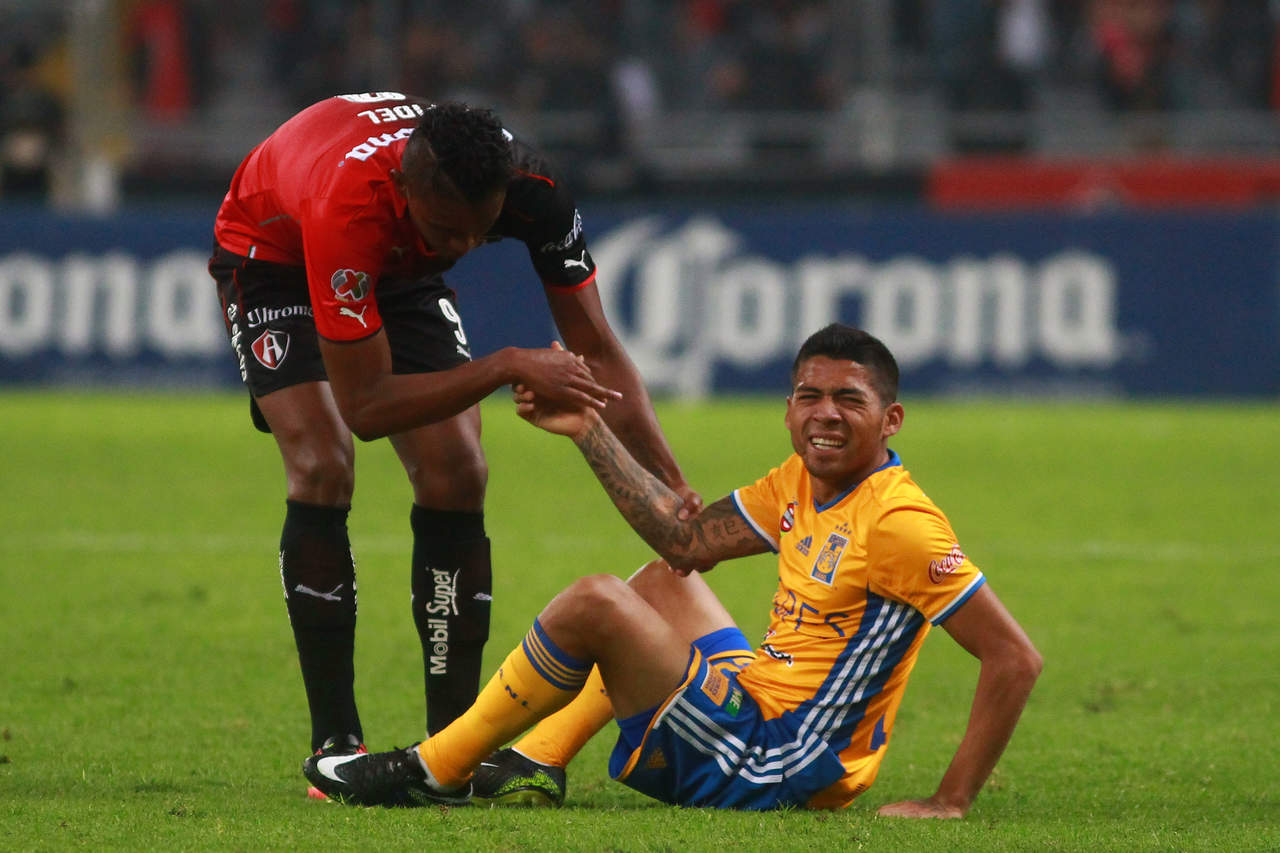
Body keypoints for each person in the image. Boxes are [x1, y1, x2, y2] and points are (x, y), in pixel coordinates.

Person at [303, 324, 1042, 816]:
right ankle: (536, 757)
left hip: (784, 762)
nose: (826, 414)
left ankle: (436, 769)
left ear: (891, 419)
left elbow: (1014, 657)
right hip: (763, 706)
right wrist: (588, 429)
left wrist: (949, 801)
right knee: (662, 581)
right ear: (788, 408)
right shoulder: (800, 480)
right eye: (810, 396)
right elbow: (685, 543)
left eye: (850, 400)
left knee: (596, 602)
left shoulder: (898, 523)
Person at [207, 94, 700, 796]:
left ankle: (451, 749)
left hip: (395, 265)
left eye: (480, 232)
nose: (461, 249)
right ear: (405, 187)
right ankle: (335, 741)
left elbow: (595, 349)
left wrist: (671, 484)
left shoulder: (532, 189)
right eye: (446, 230)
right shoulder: (350, 205)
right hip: (272, 252)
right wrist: (505, 365)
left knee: (459, 472)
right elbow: (367, 407)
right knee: (323, 463)